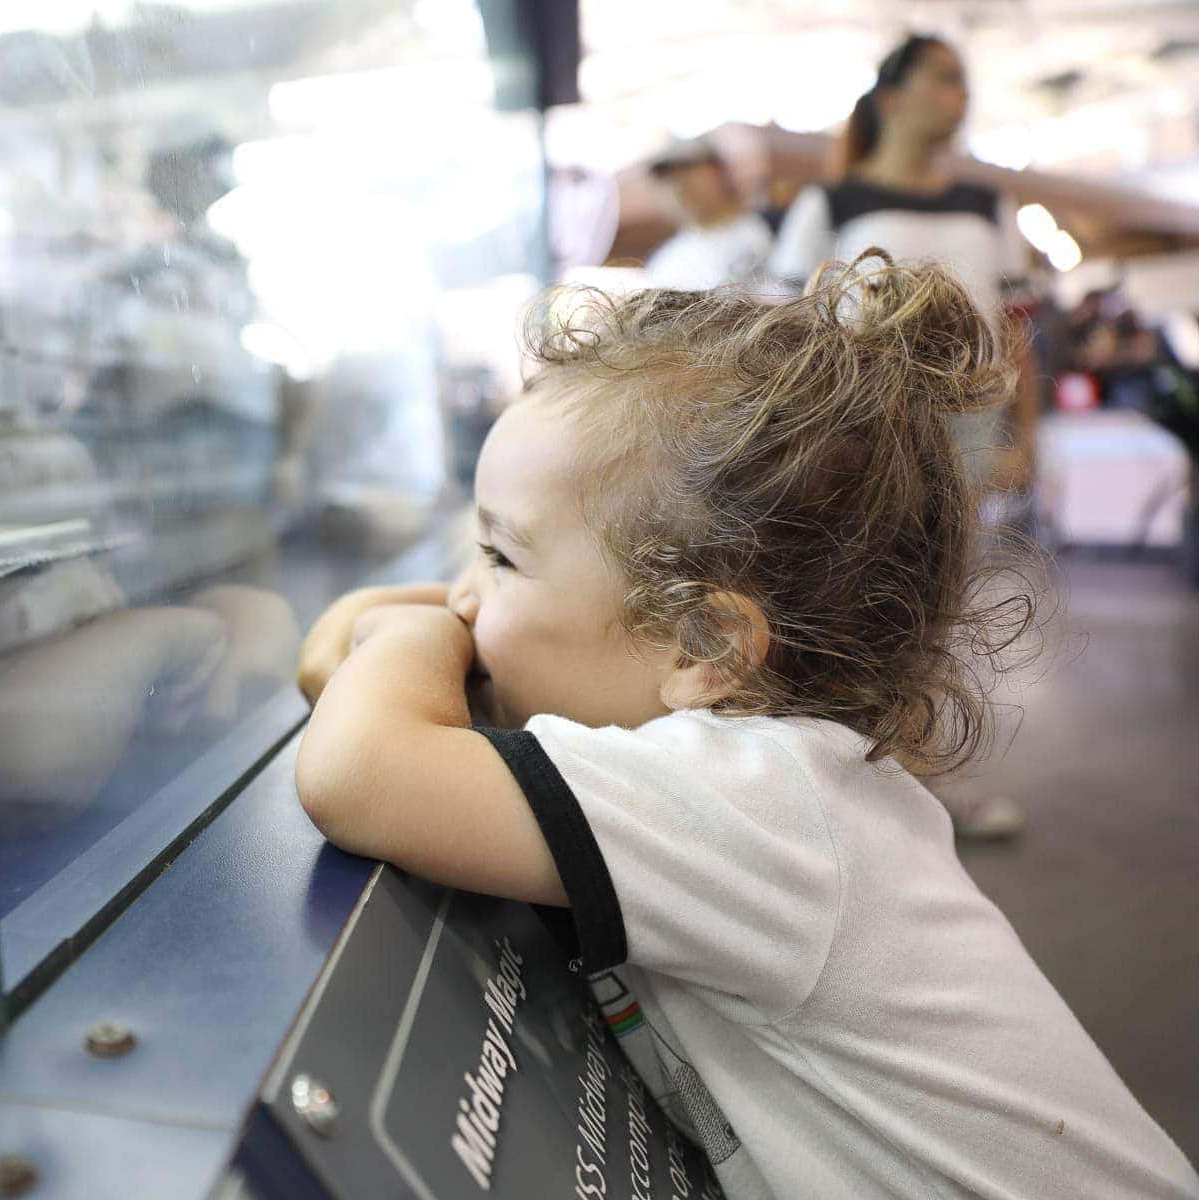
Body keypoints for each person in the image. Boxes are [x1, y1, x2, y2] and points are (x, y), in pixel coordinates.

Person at [292, 256, 1199, 1200]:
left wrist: (414, 633)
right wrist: (444, 618)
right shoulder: (768, 761)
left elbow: (359, 768)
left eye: (499, 554)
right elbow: (338, 656)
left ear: (705, 642)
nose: (465, 597)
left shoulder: (748, 800)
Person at [767, 33, 1033, 838]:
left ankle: (924, 780)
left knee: (942, 607)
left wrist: (1027, 437)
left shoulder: (989, 208)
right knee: (847, 602)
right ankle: (852, 781)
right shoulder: (831, 206)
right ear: (894, 96)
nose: (960, 96)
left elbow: (1018, 333)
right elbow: (784, 328)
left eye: (964, 82)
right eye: (944, 79)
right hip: (856, 428)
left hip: (968, 428)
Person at [643, 138, 775, 291]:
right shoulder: (664, 261)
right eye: (665, 179)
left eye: (686, 171)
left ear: (719, 172)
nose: (678, 186)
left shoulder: (776, 226)